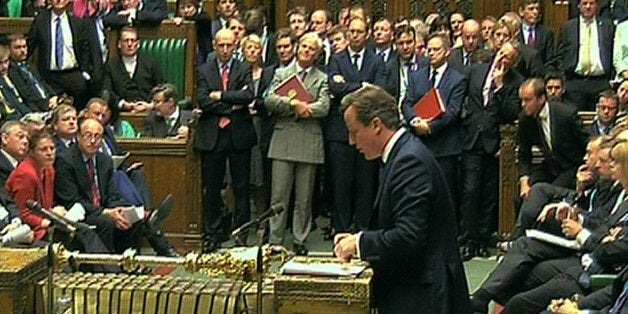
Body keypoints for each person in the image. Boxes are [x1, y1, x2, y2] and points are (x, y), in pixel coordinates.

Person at [334, 85, 470, 314]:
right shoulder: (399, 153)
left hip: (423, 294)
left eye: (354, 132)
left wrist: (359, 243)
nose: (351, 141)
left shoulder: (409, 162)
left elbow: (409, 236)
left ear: (376, 125)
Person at [54, 118, 178, 257]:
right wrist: (106, 212)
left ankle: (130, 263)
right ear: (78, 137)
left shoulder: (104, 160)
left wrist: (116, 210)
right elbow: (72, 200)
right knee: (106, 222)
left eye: (97, 136)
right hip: (80, 213)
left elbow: (112, 195)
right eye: (88, 135)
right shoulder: (66, 161)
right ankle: (108, 266)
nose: (93, 140)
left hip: (103, 209)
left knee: (132, 218)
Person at [265, 32, 329, 255]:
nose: (306, 51)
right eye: (303, 46)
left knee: (304, 197)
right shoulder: (281, 73)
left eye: (311, 49)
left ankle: (300, 239)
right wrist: (293, 103)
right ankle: (275, 240)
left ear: (317, 54)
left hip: (309, 141)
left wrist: (305, 109)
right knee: (279, 195)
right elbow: (269, 99)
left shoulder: (322, 77)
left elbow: (324, 107)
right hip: (283, 140)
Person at [459, 41, 524, 260]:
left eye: (508, 58)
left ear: (513, 62)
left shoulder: (516, 82)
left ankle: (483, 239)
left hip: (495, 144)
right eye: (501, 53)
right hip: (471, 139)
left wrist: (500, 87)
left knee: (489, 194)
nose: (502, 59)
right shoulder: (475, 71)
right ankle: (468, 239)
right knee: (470, 191)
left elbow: (510, 112)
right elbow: (461, 97)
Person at [194, 28, 256, 253]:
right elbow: (202, 100)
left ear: (235, 46)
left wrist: (219, 96)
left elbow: (249, 96)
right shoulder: (203, 70)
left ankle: (241, 233)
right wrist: (233, 106)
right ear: (214, 45)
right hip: (213, 136)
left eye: (229, 45)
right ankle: (212, 233)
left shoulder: (243, 68)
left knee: (241, 187)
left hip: (239, 135)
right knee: (212, 188)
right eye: (221, 45)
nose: (225, 49)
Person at [326, 17, 386, 237]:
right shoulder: (336, 58)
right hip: (340, 133)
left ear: (367, 34)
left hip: (369, 133)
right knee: (341, 186)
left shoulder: (376, 60)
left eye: (359, 31)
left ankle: (363, 233)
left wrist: (347, 86)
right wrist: (361, 85)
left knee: (365, 185)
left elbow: (378, 91)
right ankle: (341, 232)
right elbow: (333, 87)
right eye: (351, 31)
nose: (354, 35)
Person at [402, 33, 466, 210]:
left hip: (445, 148)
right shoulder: (416, 75)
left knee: (445, 196)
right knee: (418, 193)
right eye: (429, 49)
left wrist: (429, 127)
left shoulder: (457, 79)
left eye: (436, 49)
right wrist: (414, 121)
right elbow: (407, 103)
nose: (431, 53)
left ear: (447, 53)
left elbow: (453, 111)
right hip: (419, 145)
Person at [517, 78, 589, 198]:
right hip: (550, 166)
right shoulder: (525, 119)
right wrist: (524, 182)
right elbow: (524, 154)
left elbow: (586, 142)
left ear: (541, 99)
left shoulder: (566, 114)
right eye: (522, 100)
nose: (523, 105)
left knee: (545, 195)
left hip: (571, 166)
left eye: (528, 100)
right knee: (523, 197)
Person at [27, 0, 95, 110]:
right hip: (48, 74)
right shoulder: (40, 21)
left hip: (72, 73)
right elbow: (30, 45)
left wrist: (85, 70)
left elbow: (84, 49)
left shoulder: (77, 22)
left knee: (83, 89)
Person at [558, 0, 615, 111]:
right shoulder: (568, 27)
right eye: (585, 3)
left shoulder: (608, 26)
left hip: (601, 83)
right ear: (579, 5)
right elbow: (560, 55)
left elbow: (613, 51)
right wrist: (564, 78)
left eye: (591, 3)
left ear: (597, 5)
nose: (588, 7)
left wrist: (611, 78)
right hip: (575, 83)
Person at [103, 26, 165, 113]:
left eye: (133, 40)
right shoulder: (110, 65)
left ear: (138, 44)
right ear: (119, 44)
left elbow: (162, 88)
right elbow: (107, 91)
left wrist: (150, 105)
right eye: (126, 40)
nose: (129, 44)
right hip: (120, 113)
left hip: (149, 112)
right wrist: (123, 104)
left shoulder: (151, 63)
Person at [102, 0, 167, 28]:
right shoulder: (118, 7)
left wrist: (135, 14)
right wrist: (128, 19)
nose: (126, 3)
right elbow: (105, 20)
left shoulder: (150, 8)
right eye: (123, 0)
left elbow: (158, 16)